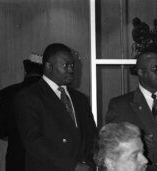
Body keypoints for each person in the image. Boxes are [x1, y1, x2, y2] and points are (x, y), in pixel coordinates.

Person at [14, 43, 97, 171]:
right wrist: (73, 166)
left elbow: (91, 137)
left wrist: (89, 163)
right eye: (65, 65)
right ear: (48, 66)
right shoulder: (29, 96)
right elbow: (34, 141)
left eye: (72, 65)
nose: (71, 70)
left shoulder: (80, 99)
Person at [106, 51, 157, 171]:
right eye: (155, 68)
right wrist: (137, 139)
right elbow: (111, 146)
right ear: (141, 72)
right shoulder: (120, 106)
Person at [0, 53, 43, 171]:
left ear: (25, 71)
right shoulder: (53, 95)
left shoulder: (8, 93)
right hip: (46, 163)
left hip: (17, 162)